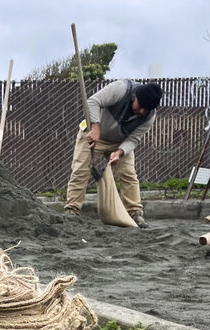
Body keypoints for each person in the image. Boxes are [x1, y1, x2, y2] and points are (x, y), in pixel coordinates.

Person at [64, 80, 162, 228]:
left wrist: (120, 152)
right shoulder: (121, 89)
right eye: (141, 106)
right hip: (93, 134)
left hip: (119, 142)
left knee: (128, 174)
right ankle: (72, 211)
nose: (142, 111)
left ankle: (135, 213)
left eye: (146, 109)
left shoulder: (149, 117)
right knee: (80, 170)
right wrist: (95, 127)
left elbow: (134, 139)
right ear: (135, 96)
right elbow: (92, 102)